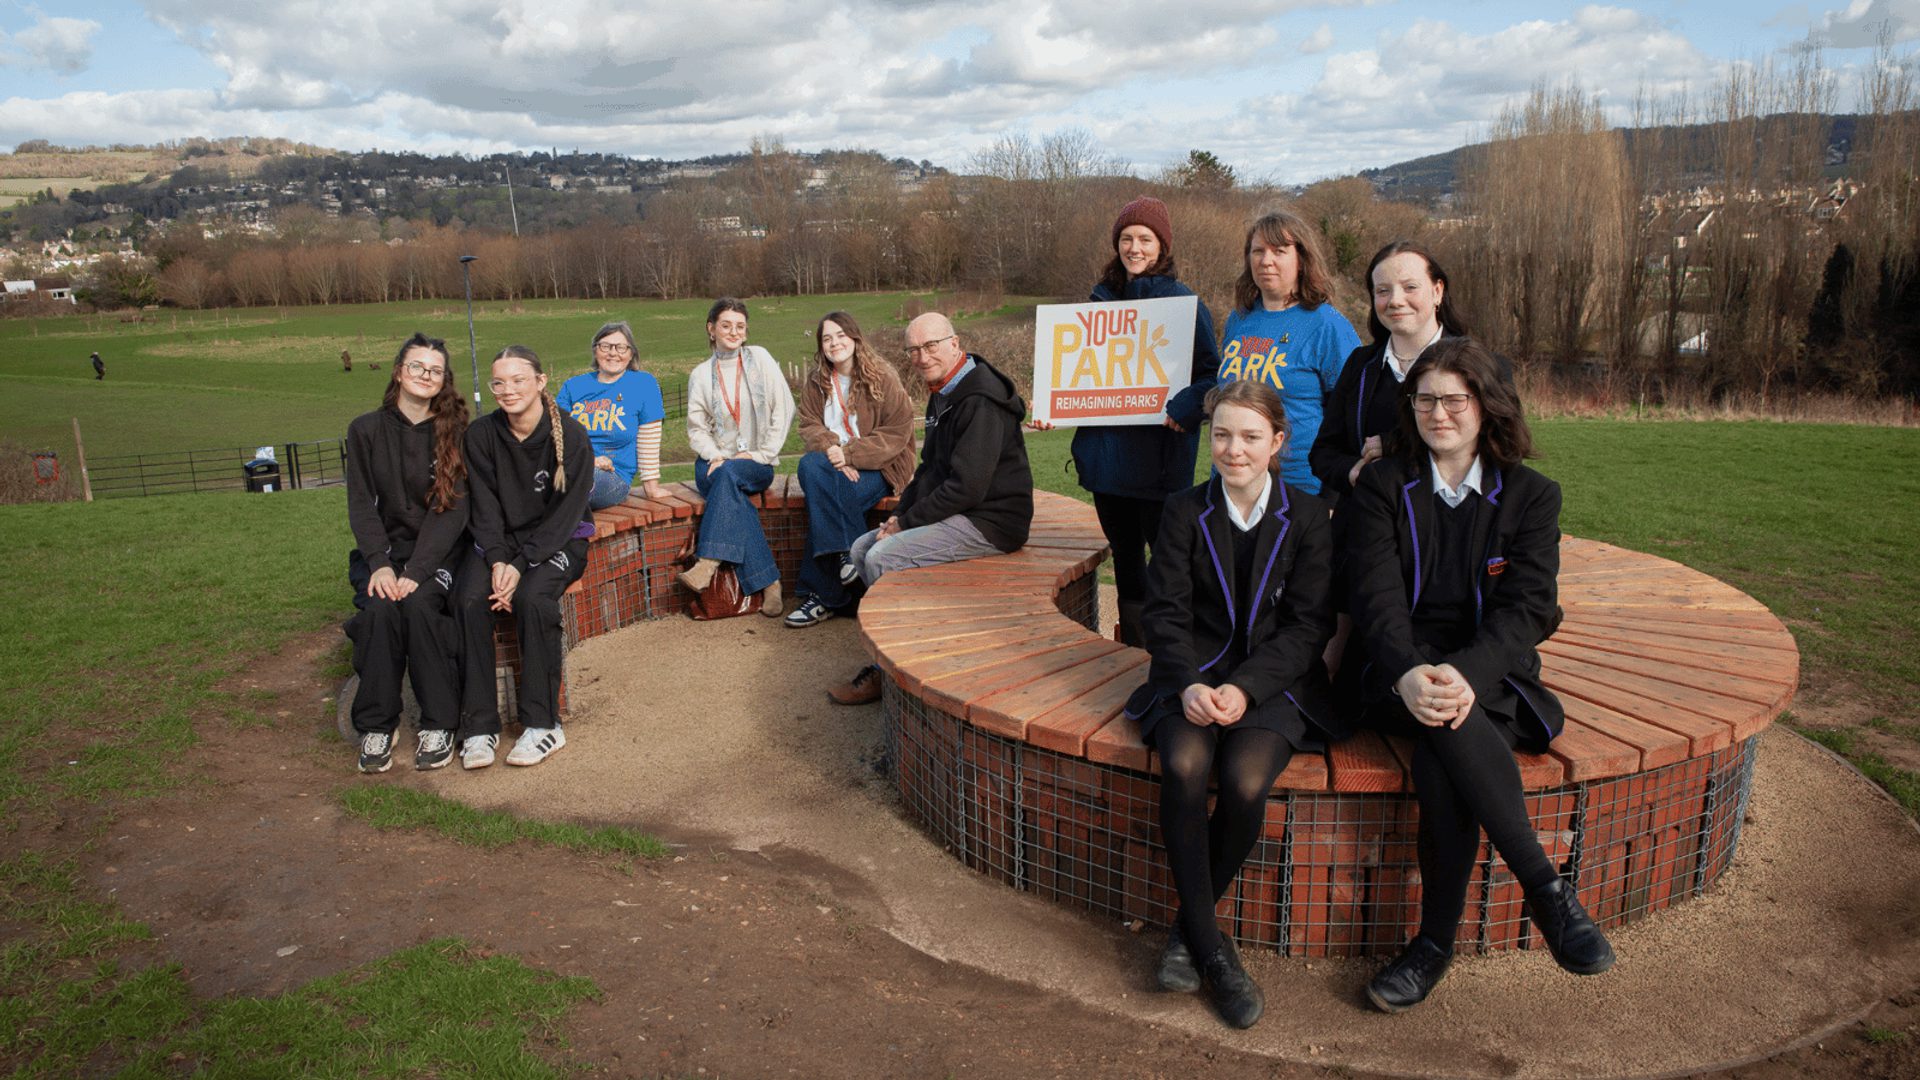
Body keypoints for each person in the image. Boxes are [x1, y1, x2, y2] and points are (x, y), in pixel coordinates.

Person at [1347, 337, 1613, 1013]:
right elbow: (1373, 600)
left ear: (1487, 405)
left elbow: (1529, 608)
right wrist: (1410, 671)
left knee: (1443, 756)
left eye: (1454, 399)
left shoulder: (1531, 496)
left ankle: (1433, 945)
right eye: (1425, 399)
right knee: (1446, 726)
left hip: (1489, 670)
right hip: (1393, 669)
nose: (1438, 413)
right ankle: (1545, 890)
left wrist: (1463, 673)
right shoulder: (1382, 485)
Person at [1122, 378, 1339, 1030]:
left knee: (1244, 781)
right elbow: (1164, 613)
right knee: (1185, 765)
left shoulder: (1308, 517)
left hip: (1274, 681)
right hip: (1190, 674)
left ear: (1277, 442)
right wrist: (1188, 683)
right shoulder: (1183, 510)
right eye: (1221, 435)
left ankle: (1187, 933)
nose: (1233, 450)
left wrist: (1245, 688)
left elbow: (1308, 627)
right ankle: (1215, 954)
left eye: (1249, 437)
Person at [829, 312, 1034, 705]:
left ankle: (897, 672)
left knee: (883, 557)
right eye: (913, 350)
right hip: (966, 511)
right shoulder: (944, 391)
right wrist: (899, 515)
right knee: (860, 548)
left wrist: (907, 523)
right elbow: (929, 469)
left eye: (931, 346)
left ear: (954, 344)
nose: (921, 357)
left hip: (993, 521)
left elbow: (967, 486)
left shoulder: (980, 400)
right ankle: (894, 655)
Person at [1065, 195, 1222, 647]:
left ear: (1162, 246)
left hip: (1158, 463)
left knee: (1170, 561)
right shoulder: (1100, 299)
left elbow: (1212, 373)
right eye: (1127, 239)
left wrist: (1187, 405)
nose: (1135, 248)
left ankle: (1175, 648)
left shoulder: (1183, 302)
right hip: (1107, 464)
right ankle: (1134, 649)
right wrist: (1057, 404)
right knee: (1126, 561)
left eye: (1145, 240)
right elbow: (1080, 371)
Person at [454, 345, 593, 769]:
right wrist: (499, 559)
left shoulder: (571, 436)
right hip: (499, 544)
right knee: (468, 600)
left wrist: (520, 565)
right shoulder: (480, 436)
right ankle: (479, 726)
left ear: (540, 381)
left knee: (533, 600)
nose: (508, 390)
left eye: (518, 380)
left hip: (558, 542)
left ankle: (543, 724)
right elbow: (484, 508)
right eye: (499, 382)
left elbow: (565, 517)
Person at [342, 333, 469, 773]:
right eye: (417, 366)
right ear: (399, 372)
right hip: (383, 553)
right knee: (379, 610)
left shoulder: (456, 433)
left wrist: (417, 570)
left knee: (418, 607)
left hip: (437, 555)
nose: (425, 375)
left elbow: (452, 510)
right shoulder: (365, 430)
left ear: (443, 380)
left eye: (435, 370)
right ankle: (377, 725)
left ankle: (440, 722)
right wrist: (379, 564)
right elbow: (361, 504)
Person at [1310, 240, 1473, 502]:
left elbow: (1500, 447)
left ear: (1437, 291)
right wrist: (1354, 472)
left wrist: (1393, 444)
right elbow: (1324, 453)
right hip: (1369, 519)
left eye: (1410, 287)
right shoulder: (1360, 365)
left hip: (1447, 519)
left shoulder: (1478, 366)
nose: (1396, 301)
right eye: (1383, 291)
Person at [784, 311, 917, 629]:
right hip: (833, 466)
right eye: (827, 338)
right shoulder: (816, 382)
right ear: (821, 346)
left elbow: (897, 432)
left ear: (855, 338)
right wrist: (834, 453)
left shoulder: (882, 376)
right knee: (810, 465)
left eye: (841, 335)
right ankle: (848, 555)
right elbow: (809, 425)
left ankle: (822, 596)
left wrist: (850, 456)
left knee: (823, 497)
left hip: (881, 467)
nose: (835, 343)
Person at [1218, 210, 1360, 496]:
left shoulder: (1328, 325)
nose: (1266, 260)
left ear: (1302, 260)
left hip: (1301, 485)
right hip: (1234, 481)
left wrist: (1333, 494)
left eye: (1279, 251)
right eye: (1258, 251)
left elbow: (1350, 412)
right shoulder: (1239, 319)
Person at [681, 298, 795, 616]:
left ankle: (708, 562)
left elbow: (784, 408)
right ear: (711, 329)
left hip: (756, 463)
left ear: (746, 331)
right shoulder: (700, 375)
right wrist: (716, 455)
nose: (734, 332)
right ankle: (770, 583)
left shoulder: (760, 359)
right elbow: (696, 429)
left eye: (740, 326)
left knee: (730, 475)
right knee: (732, 489)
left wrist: (762, 453)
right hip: (713, 462)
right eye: (726, 325)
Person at [555, 320, 667, 510]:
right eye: (605, 346)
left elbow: (649, 439)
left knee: (578, 481)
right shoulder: (573, 386)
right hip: (573, 465)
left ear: (631, 354)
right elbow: (557, 434)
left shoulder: (643, 384)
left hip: (612, 477)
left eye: (621, 347)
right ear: (595, 350)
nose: (613, 353)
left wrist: (651, 487)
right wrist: (589, 460)